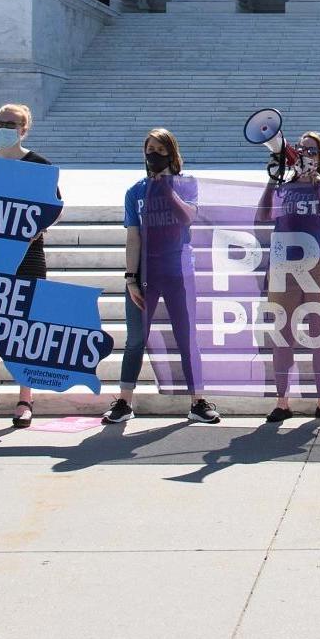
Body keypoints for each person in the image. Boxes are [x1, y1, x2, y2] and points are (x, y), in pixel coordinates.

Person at [108, 127, 215, 425]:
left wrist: (167, 187)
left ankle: (198, 400)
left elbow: (188, 217)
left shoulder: (186, 185)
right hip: (146, 273)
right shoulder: (135, 191)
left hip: (178, 270)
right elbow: (133, 237)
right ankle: (124, 401)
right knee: (136, 338)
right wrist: (130, 278)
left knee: (186, 335)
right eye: (149, 149)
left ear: (171, 153)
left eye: (159, 150)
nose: (153, 155)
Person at [0, 103, 56, 430]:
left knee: (24, 328)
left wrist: (40, 227)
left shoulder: (39, 165)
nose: (3, 127)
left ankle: (25, 397)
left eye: (11, 123)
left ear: (24, 129)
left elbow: (53, 207)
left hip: (27, 256)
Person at [256, 128, 320, 423]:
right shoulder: (285, 185)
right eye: (302, 149)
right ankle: (283, 402)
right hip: (285, 265)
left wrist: (319, 189)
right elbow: (262, 217)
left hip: (319, 264)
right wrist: (272, 180)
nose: (307, 154)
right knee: (283, 335)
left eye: (313, 150)